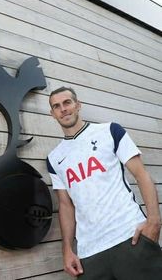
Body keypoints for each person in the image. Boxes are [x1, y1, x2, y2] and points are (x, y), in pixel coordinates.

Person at [46, 86, 162, 280]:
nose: (63, 109)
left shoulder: (109, 131)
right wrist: (67, 249)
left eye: (67, 102)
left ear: (78, 105)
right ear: (53, 114)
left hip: (129, 237)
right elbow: (66, 205)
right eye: (57, 106)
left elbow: (141, 175)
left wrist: (154, 221)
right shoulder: (54, 158)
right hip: (90, 254)